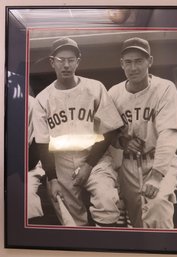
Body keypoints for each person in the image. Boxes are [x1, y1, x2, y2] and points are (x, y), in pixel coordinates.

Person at [32, 37, 124, 226]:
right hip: (61, 162)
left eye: (71, 60)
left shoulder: (94, 88)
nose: (66, 65)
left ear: (78, 61)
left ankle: (107, 249)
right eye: (60, 60)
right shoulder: (43, 99)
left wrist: (89, 165)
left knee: (106, 198)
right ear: (52, 62)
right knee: (70, 218)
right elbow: (42, 143)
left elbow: (110, 131)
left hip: (95, 157)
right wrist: (53, 179)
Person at [108, 37, 177, 228]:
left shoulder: (165, 88)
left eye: (139, 61)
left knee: (158, 211)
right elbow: (106, 134)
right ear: (122, 64)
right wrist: (122, 141)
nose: (133, 68)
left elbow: (169, 133)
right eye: (128, 62)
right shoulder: (114, 94)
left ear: (150, 61)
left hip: (159, 161)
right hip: (129, 165)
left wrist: (157, 176)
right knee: (138, 223)